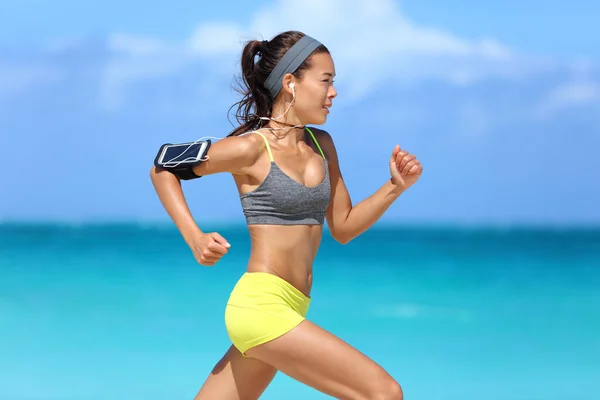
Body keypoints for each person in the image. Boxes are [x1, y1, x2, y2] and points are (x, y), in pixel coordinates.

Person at [150, 30, 422, 400]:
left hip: (291, 306)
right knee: (384, 393)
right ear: (291, 83)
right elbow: (163, 166)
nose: (334, 92)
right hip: (261, 306)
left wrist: (395, 187)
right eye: (326, 81)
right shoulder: (251, 147)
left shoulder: (322, 145)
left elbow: (342, 227)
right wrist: (194, 237)